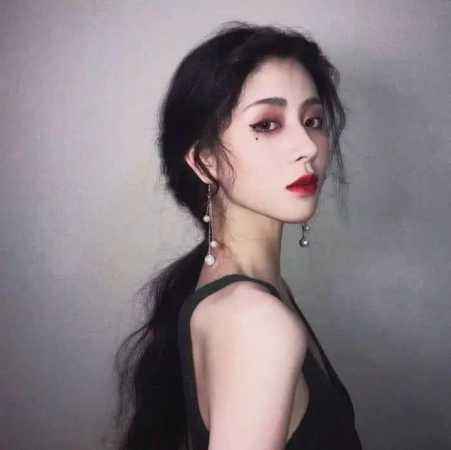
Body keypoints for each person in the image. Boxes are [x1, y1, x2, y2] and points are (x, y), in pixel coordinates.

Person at [114, 21, 363, 450]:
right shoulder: (256, 322)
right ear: (205, 161)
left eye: (313, 120)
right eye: (267, 124)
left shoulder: (252, 294)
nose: (308, 147)